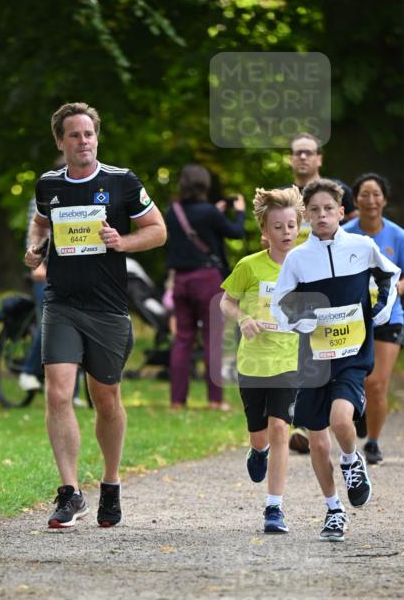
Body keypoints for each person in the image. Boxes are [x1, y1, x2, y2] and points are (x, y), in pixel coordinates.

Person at [24, 101, 167, 529]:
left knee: (106, 400)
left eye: (88, 134)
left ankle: (110, 483)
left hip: (107, 308)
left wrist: (121, 242)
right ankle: (69, 493)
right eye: (74, 135)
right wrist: (33, 250)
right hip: (62, 303)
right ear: (60, 141)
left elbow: (158, 231)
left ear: (96, 137)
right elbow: (40, 223)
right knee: (57, 393)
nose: (83, 141)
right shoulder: (49, 184)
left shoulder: (122, 182)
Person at [271, 179, 400, 541]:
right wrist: (302, 321)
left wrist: (378, 312)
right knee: (317, 440)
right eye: (314, 210)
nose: (322, 215)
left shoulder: (362, 246)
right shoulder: (298, 259)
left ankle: (351, 461)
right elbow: (281, 302)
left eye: (329, 208)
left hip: (353, 352)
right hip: (313, 357)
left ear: (342, 212)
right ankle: (333, 510)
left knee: (341, 418)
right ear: (306, 216)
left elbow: (389, 275)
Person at [220, 187, 304, 534]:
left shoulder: (306, 265)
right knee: (260, 435)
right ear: (264, 233)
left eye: (291, 226)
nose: (286, 233)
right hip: (253, 363)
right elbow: (226, 302)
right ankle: (257, 452)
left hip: (288, 360)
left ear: (299, 227)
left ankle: (274, 508)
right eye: (278, 227)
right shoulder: (249, 266)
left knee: (281, 428)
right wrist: (243, 319)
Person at [284, 133, 358, 454]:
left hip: (336, 281)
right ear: (290, 158)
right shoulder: (284, 196)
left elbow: (354, 229)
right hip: (297, 282)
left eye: (308, 153)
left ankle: (344, 409)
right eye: (297, 153)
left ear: (319, 158)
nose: (302, 158)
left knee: (338, 346)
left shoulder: (337, 191)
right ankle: (309, 422)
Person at [165, 164, 246, 410]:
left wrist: (216, 213)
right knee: (213, 339)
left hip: (180, 280)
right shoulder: (210, 213)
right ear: (205, 185)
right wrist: (239, 212)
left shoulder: (173, 211)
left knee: (182, 339)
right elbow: (236, 233)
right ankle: (214, 400)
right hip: (207, 280)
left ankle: (177, 401)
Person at [343, 172, 404, 462]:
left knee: (377, 382)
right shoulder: (344, 233)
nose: (371, 200)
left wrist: (391, 287)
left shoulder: (397, 235)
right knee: (354, 379)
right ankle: (359, 413)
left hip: (389, 315)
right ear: (355, 200)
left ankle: (373, 442)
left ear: (385, 199)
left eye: (376, 194)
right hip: (351, 316)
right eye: (364, 195)